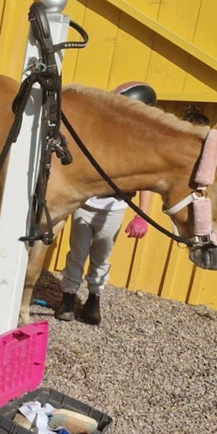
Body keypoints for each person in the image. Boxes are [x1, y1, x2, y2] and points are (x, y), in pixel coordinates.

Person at [55, 82, 157, 325]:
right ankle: (68, 298)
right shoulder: (99, 134)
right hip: (85, 203)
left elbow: (145, 182)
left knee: (102, 257)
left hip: (114, 208)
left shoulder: (140, 146)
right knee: (77, 254)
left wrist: (142, 216)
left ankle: (93, 300)